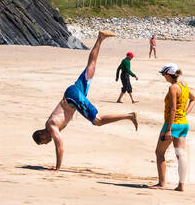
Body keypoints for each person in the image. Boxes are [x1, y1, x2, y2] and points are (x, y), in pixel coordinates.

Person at [32, 31, 137, 171]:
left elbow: (59, 146)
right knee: (91, 66)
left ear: (42, 135)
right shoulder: (50, 126)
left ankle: (129, 116)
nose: (45, 144)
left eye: (43, 143)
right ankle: (100, 38)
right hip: (72, 93)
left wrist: (57, 168)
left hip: (72, 97)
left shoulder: (51, 127)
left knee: (97, 120)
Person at [152, 63, 195, 192]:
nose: (163, 77)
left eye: (163, 74)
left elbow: (173, 109)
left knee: (159, 152)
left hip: (173, 124)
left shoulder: (173, 88)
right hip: (184, 124)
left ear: (168, 74)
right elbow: (193, 99)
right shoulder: (184, 84)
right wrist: (185, 113)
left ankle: (162, 183)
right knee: (181, 155)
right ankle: (181, 186)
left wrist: (169, 130)